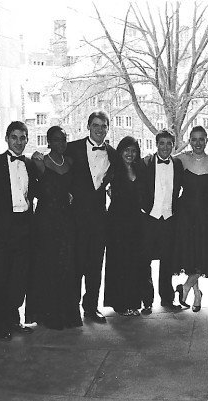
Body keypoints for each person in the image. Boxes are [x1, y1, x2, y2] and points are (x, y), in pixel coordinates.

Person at [0, 121, 37, 341]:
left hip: (24, 226)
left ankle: (14, 319)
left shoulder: (30, 164)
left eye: (23, 138)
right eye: (14, 137)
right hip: (1, 229)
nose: (19, 142)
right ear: (6, 139)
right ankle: (0, 324)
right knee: (1, 276)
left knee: (19, 276)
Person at [65, 111, 119, 323]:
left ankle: (91, 308)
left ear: (108, 128)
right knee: (75, 264)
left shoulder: (113, 154)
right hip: (76, 217)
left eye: (103, 126)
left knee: (95, 265)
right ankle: (71, 308)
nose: (99, 129)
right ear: (88, 126)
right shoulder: (72, 148)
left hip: (99, 217)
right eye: (95, 125)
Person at [26, 126, 82, 329]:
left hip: (66, 219)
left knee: (66, 265)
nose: (61, 143)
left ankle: (67, 314)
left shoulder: (70, 162)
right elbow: (33, 189)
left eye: (63, 139)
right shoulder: (40, 162)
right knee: (47, 265)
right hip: (46, 220)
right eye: (56, 139)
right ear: (49, 142)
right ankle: (49, 315)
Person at [173, 126, 208, 311]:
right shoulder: (182, 159)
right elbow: (159, 159)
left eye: (201, 139)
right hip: (186, 214)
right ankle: (197, 294)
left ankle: (186, 287)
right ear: (189, 141)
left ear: (207, 140)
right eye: (194, 139)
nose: (198, 143)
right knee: (192, 254)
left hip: (207, 214)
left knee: (204, 254)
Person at [138, 129, 183, 313]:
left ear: (173, 145)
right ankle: (147, 301)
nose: (165, 147)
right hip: (149, 219)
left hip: (169, 219)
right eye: (162, 143)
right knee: (145, 261)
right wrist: (144, 208)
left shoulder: (178, 164)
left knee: (167, 261)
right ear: (156, 144)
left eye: (169, 144)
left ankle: (167, 299)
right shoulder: (146, 163)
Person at [104, 136, 146, 316]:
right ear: (120, 151)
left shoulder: (139, 169)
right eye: (126, 150)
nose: (130, 154)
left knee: (134, 263)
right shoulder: (113, 169)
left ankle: (133, 302)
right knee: (119, 263)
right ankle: (120, 304)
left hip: (136, 222)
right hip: (117, 223)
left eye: (133, 150)